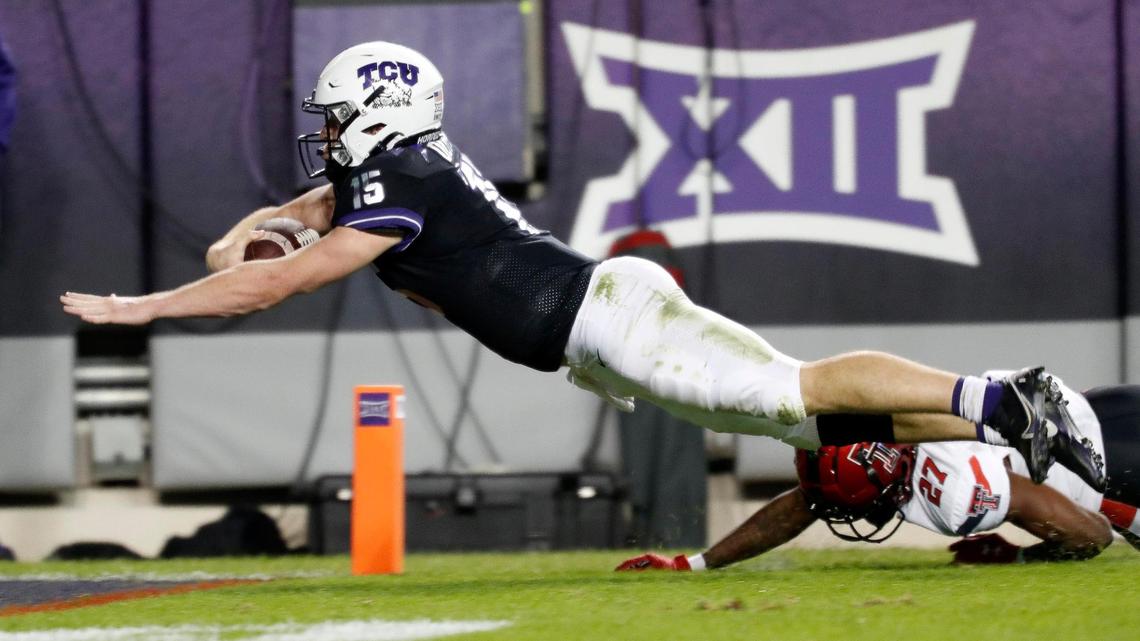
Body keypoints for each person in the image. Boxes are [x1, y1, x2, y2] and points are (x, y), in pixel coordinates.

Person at [58, 42, 1103, 490]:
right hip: (598, 329)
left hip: (607, 317)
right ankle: (999, 420)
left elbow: (279, 276)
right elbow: (283, 229)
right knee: (815, 422)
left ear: (375, 109)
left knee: (797, 389)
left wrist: (142, 305)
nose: (326, 134)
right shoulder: (395, 171)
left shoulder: (404, 180)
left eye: (334, 118)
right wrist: (254, 231)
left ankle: (1001, 392)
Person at [616, 376, 1139, 571]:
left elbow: (1089, 536)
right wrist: (695, 566)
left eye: (856, 506)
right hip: (1104, 409)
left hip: (1122, 468)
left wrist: (1019, 556)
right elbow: (802, 505)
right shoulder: (880, 417)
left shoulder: (955, 491)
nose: (845, 516)